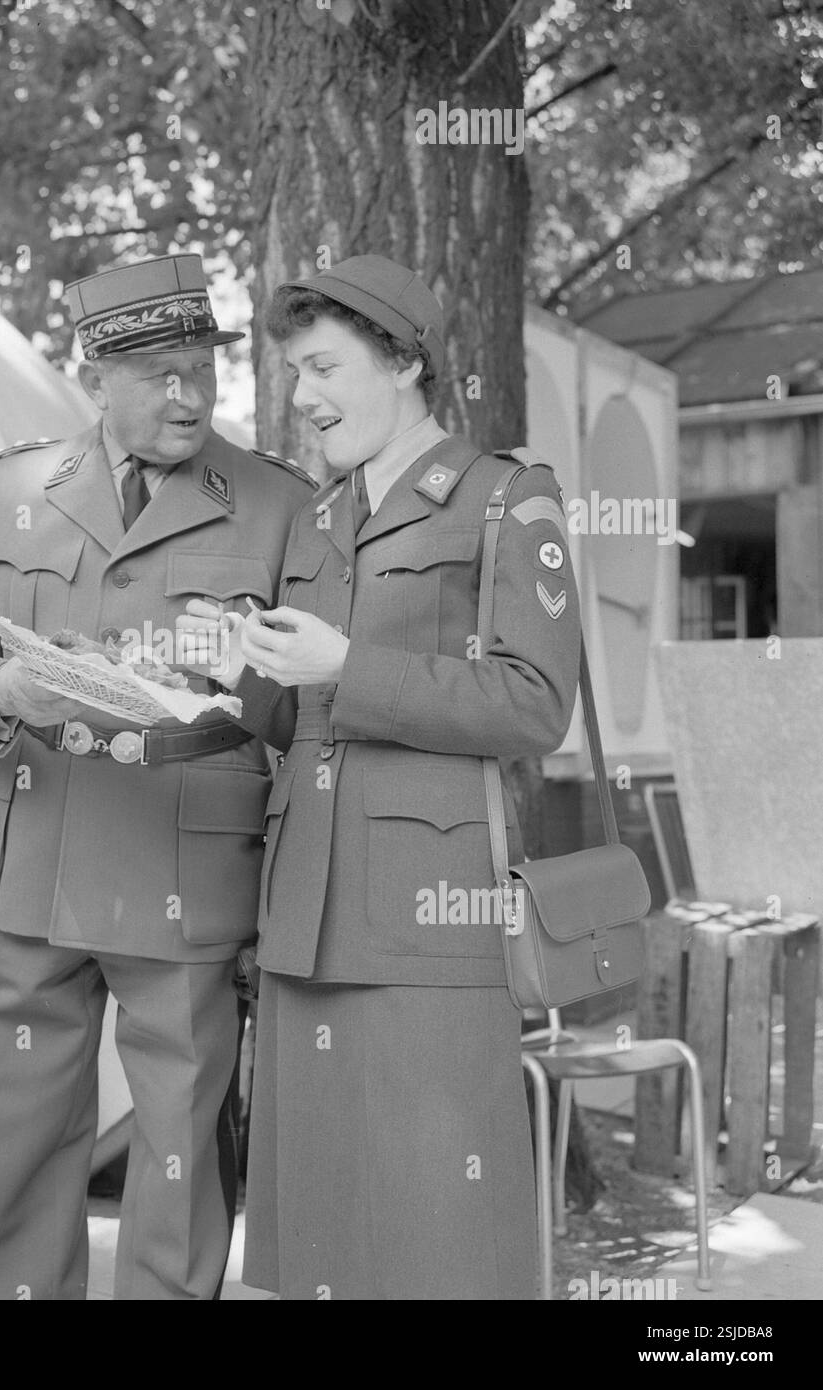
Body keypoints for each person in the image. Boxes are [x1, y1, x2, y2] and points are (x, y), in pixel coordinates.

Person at [0, 253, 317, 1300]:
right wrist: (5, 694)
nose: (188, 396)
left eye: (200, 371)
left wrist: (243, 685)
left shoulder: (278, 504)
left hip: (185, 875)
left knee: (178, 1167)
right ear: (95, 375)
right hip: (28, 870)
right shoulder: (8, 488)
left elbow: (311, 706)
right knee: (21, 1154)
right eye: (159, 374)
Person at [178, 254, 581, 1299]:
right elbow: (290, 718)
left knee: (439, 1229)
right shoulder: (314, 520)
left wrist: (348, 665)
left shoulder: (503, 499)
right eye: (294, 377)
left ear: (402, 361)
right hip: (306, 913)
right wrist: (242, 674)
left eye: (322, 369)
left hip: (427, 920)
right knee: (316, 1228)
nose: (301, 400)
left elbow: (534, 705)